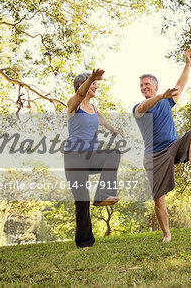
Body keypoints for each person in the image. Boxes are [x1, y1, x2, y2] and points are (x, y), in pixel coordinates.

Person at [133, 49, 191, 243]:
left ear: (155, 85)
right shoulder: (138, 108)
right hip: (154, 155)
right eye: (141, 86)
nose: (143, 88)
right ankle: (167, 235)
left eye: (147, 84)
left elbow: (181, 84)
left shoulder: (168, 101)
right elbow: (144, 107)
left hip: (173, 146)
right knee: (159, 198)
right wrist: (159, 97)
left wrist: (187, 64)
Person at [64, 69, 121, 248]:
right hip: (74, 157)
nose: (95, 87)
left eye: (96, 84)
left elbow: (102, 120)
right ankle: (85, 242)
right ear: (82, 85)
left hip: (91, 156)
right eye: (92, 84)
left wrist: (113, 129)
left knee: (113, 153)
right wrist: (91, 78)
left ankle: (103, 195)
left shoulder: (94, 109)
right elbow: (80, 94)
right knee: (82, 200)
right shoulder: (73, 105)